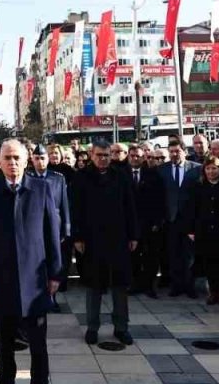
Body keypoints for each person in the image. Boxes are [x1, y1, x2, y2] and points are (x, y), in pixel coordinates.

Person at [0, 140, 61, 384]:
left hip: (35, 281)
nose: (12, 163)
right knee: (4, 346)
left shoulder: (42, 189)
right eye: (7, 158)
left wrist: (55, 274)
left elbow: (52, 234)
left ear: (26, 160)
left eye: (17, 158)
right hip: (2, 279)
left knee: (38, 346)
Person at [71, 140, 139, 346]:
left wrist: (133, 235)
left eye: (107, 155)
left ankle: (121, 327)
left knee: (119, 286)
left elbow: (130, 207)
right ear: (92, 155)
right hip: (92, 240)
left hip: (118, 238)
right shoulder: (81, 177)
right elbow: (75, 209)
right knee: (94, 286)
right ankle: (92, 327)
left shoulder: (120, 176)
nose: (103, 159)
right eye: (99, 155)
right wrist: (77, 237)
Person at [185, 155, 219, 306]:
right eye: (208, 168)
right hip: (204, 231)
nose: (211, 171)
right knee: (209, 264)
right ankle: (213, 292)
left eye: (214, 168)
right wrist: (191, 230)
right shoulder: (198, 186)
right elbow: (192, 209)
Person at [26, 144, 71, 312]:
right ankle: (36, 298)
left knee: (53, 264)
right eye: (36, 158)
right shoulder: (27, 177)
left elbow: (64, 204)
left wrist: (66, 228)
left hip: (54, 225)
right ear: (32, 159)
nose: (40, 161)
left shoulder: (57, 178)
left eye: (43, 158)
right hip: (35, 226)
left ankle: (52, 297)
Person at [159, 141, 202, 298]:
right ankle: (176, 286)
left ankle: (189, 286)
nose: (174, 154)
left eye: (177, 151)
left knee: (190, 256)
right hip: (171, 220)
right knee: (173, 254)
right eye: (171, 151)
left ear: (184, 151)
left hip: (190, 220)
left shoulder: (197, 168)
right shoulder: (162, 169)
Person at [131, 144, 166, 298]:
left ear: (143, 157)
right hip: (131, 223)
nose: (135, 158)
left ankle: (149, 285)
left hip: (150, 223)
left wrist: (157, 222)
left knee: (151, 256)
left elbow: (160, 200)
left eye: (138, 156)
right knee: (133, 256)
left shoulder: (153, 174)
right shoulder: (121, 175)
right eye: (132, 155)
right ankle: (135, 284)